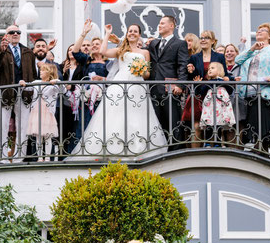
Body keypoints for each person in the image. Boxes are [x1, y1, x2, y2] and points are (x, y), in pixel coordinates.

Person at [69, 23, 167, 159]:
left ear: (139, 35)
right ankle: (111, 148)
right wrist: (108, 34)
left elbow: (147, 74)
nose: (132, 33)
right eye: (130, 31)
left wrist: (140, 70)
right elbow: (103, 52)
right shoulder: (121, 50)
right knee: (115, 116)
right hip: (120, 84)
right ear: (127, 34)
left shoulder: (145, 53)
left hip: (137, 86)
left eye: (135, 31)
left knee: (137, 117)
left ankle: (138, 149)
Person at [0, 24, 37, 160]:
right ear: (6, 35)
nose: (15, 34)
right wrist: (1, 52)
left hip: (24, 93)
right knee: (2, 127)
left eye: (18, 32)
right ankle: (2, 157)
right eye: (12, 32)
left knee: (23, 127)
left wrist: (31, 91)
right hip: (5, 93)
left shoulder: (28, 52)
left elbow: (33, 74)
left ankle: (19, 157)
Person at [235, 23, 270, 156]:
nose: (259, 32)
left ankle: (261, 151)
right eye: (257, 30)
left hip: (266, 91)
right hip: (249, 92)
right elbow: (237, 60)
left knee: (263, 123)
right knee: (253, 122)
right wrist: (251, 48)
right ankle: (257, 148)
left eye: (263, 31)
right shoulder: (253, 51)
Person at [147, 16, 189, 150]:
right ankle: (158, 150)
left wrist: (180, 85)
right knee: (156, 121)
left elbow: (182, 65)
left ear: (172, 26)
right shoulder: (154, 44)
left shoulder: (180, 43)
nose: (159, 26)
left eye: (162, 23)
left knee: (173, 120)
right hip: (153, 87)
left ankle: (175, 151)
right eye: (159, 23)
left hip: (170, 88)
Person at [185, 30, 230, 144]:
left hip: (214, 95)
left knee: (215, 126)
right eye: (201, 37)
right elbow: (191, 77)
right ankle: (197, 156)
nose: (203, 39)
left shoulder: (219, 56)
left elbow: (224, 74)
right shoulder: (194, 57)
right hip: (199, 94)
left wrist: (229, 79)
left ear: (213, 41)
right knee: (197, 126)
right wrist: (191, 72)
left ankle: (214, 152)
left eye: (206, 37)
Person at [25, 64, 64, 162]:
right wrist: (22, 83)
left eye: (43, 70)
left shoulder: (53, 85)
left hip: (47, 112)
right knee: (38, 137)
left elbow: (62, 89)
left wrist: (57, 81)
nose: (40, 72)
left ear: (49, 72)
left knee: (47, 137)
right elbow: (27, 87)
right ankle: (39, 157)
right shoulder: (36, 82)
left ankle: (47, 157)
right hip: (36, 112)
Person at [200, 62, 236, 145]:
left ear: (219, 70)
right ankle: (208, 142)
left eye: (212, 68)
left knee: (219, 123)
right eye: (209, 69)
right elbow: (202, 91)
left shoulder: (223, 81)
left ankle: (218, 142)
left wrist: (223, 81)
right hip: (210, 105)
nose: (209, 70)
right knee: (209, 122)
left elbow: (230, 90)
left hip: (220, 105)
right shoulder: (208, 82)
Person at [61, 44, 85, 156]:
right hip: (64, 99)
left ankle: (73, 152)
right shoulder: (62, 65)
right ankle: (63, 154)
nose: (71, 52)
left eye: (73, 50)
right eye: (69, 50)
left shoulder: (82, 66)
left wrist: (72, 86)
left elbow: (83, 81)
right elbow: (58, 80)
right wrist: (62, 72)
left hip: (76, 99)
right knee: (64, 127)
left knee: (74, 126)